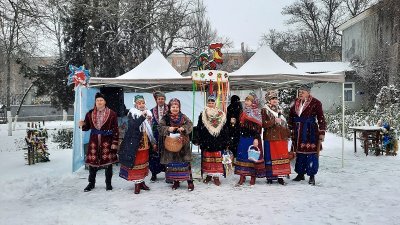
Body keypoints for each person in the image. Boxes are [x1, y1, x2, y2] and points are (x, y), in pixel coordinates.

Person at [79, 92, 119, 192]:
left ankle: (108, 184)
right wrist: (82, 124)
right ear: (95, 102)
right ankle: (91, 183)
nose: (99, 102)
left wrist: (114, 143)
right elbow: (86, 127)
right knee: (92, 164)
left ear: (105, 102)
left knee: (108, 164)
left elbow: (115, 129)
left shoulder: (112, 114)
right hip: (94, 142)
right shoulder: (89, 114)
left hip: (107, 141)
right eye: (97, 100)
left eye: (101, 100)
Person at [288, 84, 326, 185]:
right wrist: (290, 128)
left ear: (308, 93)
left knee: (311, 154)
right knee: (299, 153)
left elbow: (321, 118)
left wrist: (322, 132)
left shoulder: (316, 102)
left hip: (310, 131)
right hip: (297, 131)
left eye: (302, 92)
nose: (300, 93)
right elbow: (290, 116)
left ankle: (312, 175)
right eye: (299, 92)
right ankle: (300, 174)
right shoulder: (295, 103)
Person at [118, 95, 156, 194]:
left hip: (145, 141)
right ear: (135, 104)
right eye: (139, 103)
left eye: (143, 103)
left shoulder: (148, 113)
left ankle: (142, 182)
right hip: (135, 142)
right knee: (136, 163)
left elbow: (150, 128)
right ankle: (137, 184)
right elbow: (134, 126)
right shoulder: (132, 113)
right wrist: (143, 117)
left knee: (144, 162)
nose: (141, 105)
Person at [158, 98, 194, 191]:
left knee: (185, 163)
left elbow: (190, 124)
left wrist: (184, 128)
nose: (175, 108)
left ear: (179, 107)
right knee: (173, 165)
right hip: (171, 144)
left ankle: (190, 182)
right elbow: (160, 127)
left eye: (177, 107)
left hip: (182, 144)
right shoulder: (165, 117)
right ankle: (176, 181)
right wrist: (168, 129)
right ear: (169, 108)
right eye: (173, 107)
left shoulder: (183, 117)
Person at [196, 95, 229, 186]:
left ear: (215, 104)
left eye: (212, 103)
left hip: (218, 140)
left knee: (217, 159)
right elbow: (199, 127)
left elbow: (225, 128)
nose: (210, 104)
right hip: (207, 140)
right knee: (207, 159)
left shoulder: (221, 115)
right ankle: (209, 175)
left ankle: (216, 177)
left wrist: (226, 140)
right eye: (209, 103)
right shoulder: (203, 114)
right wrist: (199, 139)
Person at [234, 93, 265, 185]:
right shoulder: (243, 111)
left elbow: (258, 127)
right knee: (242, 156)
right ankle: (242, 176)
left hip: (252, 137)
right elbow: (240, 124)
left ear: (253, 102)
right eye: (246, 100)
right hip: (243, 137)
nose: (246, 102)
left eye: (248, 100)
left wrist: (256, 138)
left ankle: (252, 176)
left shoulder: (257, 112)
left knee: (252, 156)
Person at [261, 90, 291, 185]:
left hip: (281, 137)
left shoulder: (280, 109)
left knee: (280, 157)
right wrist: (273, 121)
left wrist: (287, 133)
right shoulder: (264, 110)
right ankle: (270, 176)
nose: (274, 100)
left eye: (275, 98)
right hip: (270, 137)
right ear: (268, 100)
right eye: (272, 98)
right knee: (270, 157)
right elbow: (263, 124)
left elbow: (284, 123)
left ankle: (280, 176)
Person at [149, 91, 168, 182]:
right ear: (156, 100)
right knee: (154, 154)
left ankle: (167, 172)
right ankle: (154, 173)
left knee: (167, 153)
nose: (160, 100)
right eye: (159, 99)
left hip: (166, 135)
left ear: (164, 99)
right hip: (155, 135)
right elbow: (149, 124)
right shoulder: (151, 111)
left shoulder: (170, 109)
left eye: (162, 99)